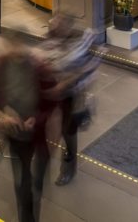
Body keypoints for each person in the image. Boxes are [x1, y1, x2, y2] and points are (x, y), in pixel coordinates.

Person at [0, 39, 56, 222]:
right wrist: (3, 115)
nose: (17, 52)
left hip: (37, 136)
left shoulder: (39, 67)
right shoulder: (1, 63)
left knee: (33, 183)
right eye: (13, 47)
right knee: (23, 180)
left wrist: (36, 119)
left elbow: (51, 100)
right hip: (15, 135)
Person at [37, 15, 99, 187]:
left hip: (72, 95)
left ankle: (68, 168)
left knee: (68, 132)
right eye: (52, 27)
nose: (53, 30)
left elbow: (88, 68)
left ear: (67, 27)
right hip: (51, 92)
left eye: (57, 27)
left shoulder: (81, 43)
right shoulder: (51, 41)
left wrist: (65, 82)